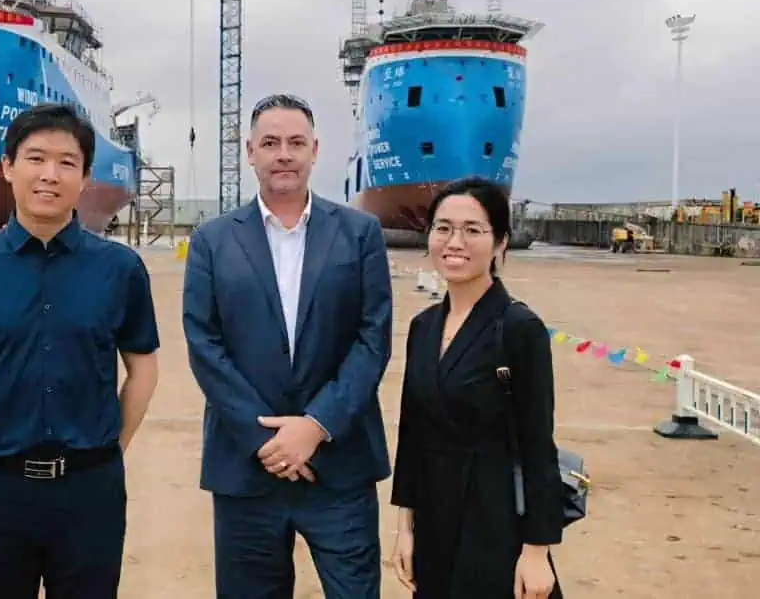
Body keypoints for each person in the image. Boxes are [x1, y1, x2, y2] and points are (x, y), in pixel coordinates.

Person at [0, 103, 161, 599]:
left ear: (86, 177)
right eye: (36, 158)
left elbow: (143, 371)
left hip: (89, 492)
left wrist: (109, 450)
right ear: (8, 167)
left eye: (67, 162)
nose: (50, 175)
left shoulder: (121, 269)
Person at [182, 93, 393, 599]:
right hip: (245, 469)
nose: (284, 154)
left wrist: (317, 425)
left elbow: (373, 337)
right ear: (250, 151)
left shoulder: (360, 233)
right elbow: (204, 345)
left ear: (315, 150)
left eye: (296, 143)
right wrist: (267, 442)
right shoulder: (212, 240)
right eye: (271, 143)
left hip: (339, 468)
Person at [389, 176, 564, 599]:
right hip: (433, 519)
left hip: (495, 523)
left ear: (500, 243)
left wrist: (537, 551)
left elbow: (538, 445)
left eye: (473, 230)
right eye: (444, 228)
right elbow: (412, 433)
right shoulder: (423, 327)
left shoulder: (520, 329)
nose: (455, 241)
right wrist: (404, 527)